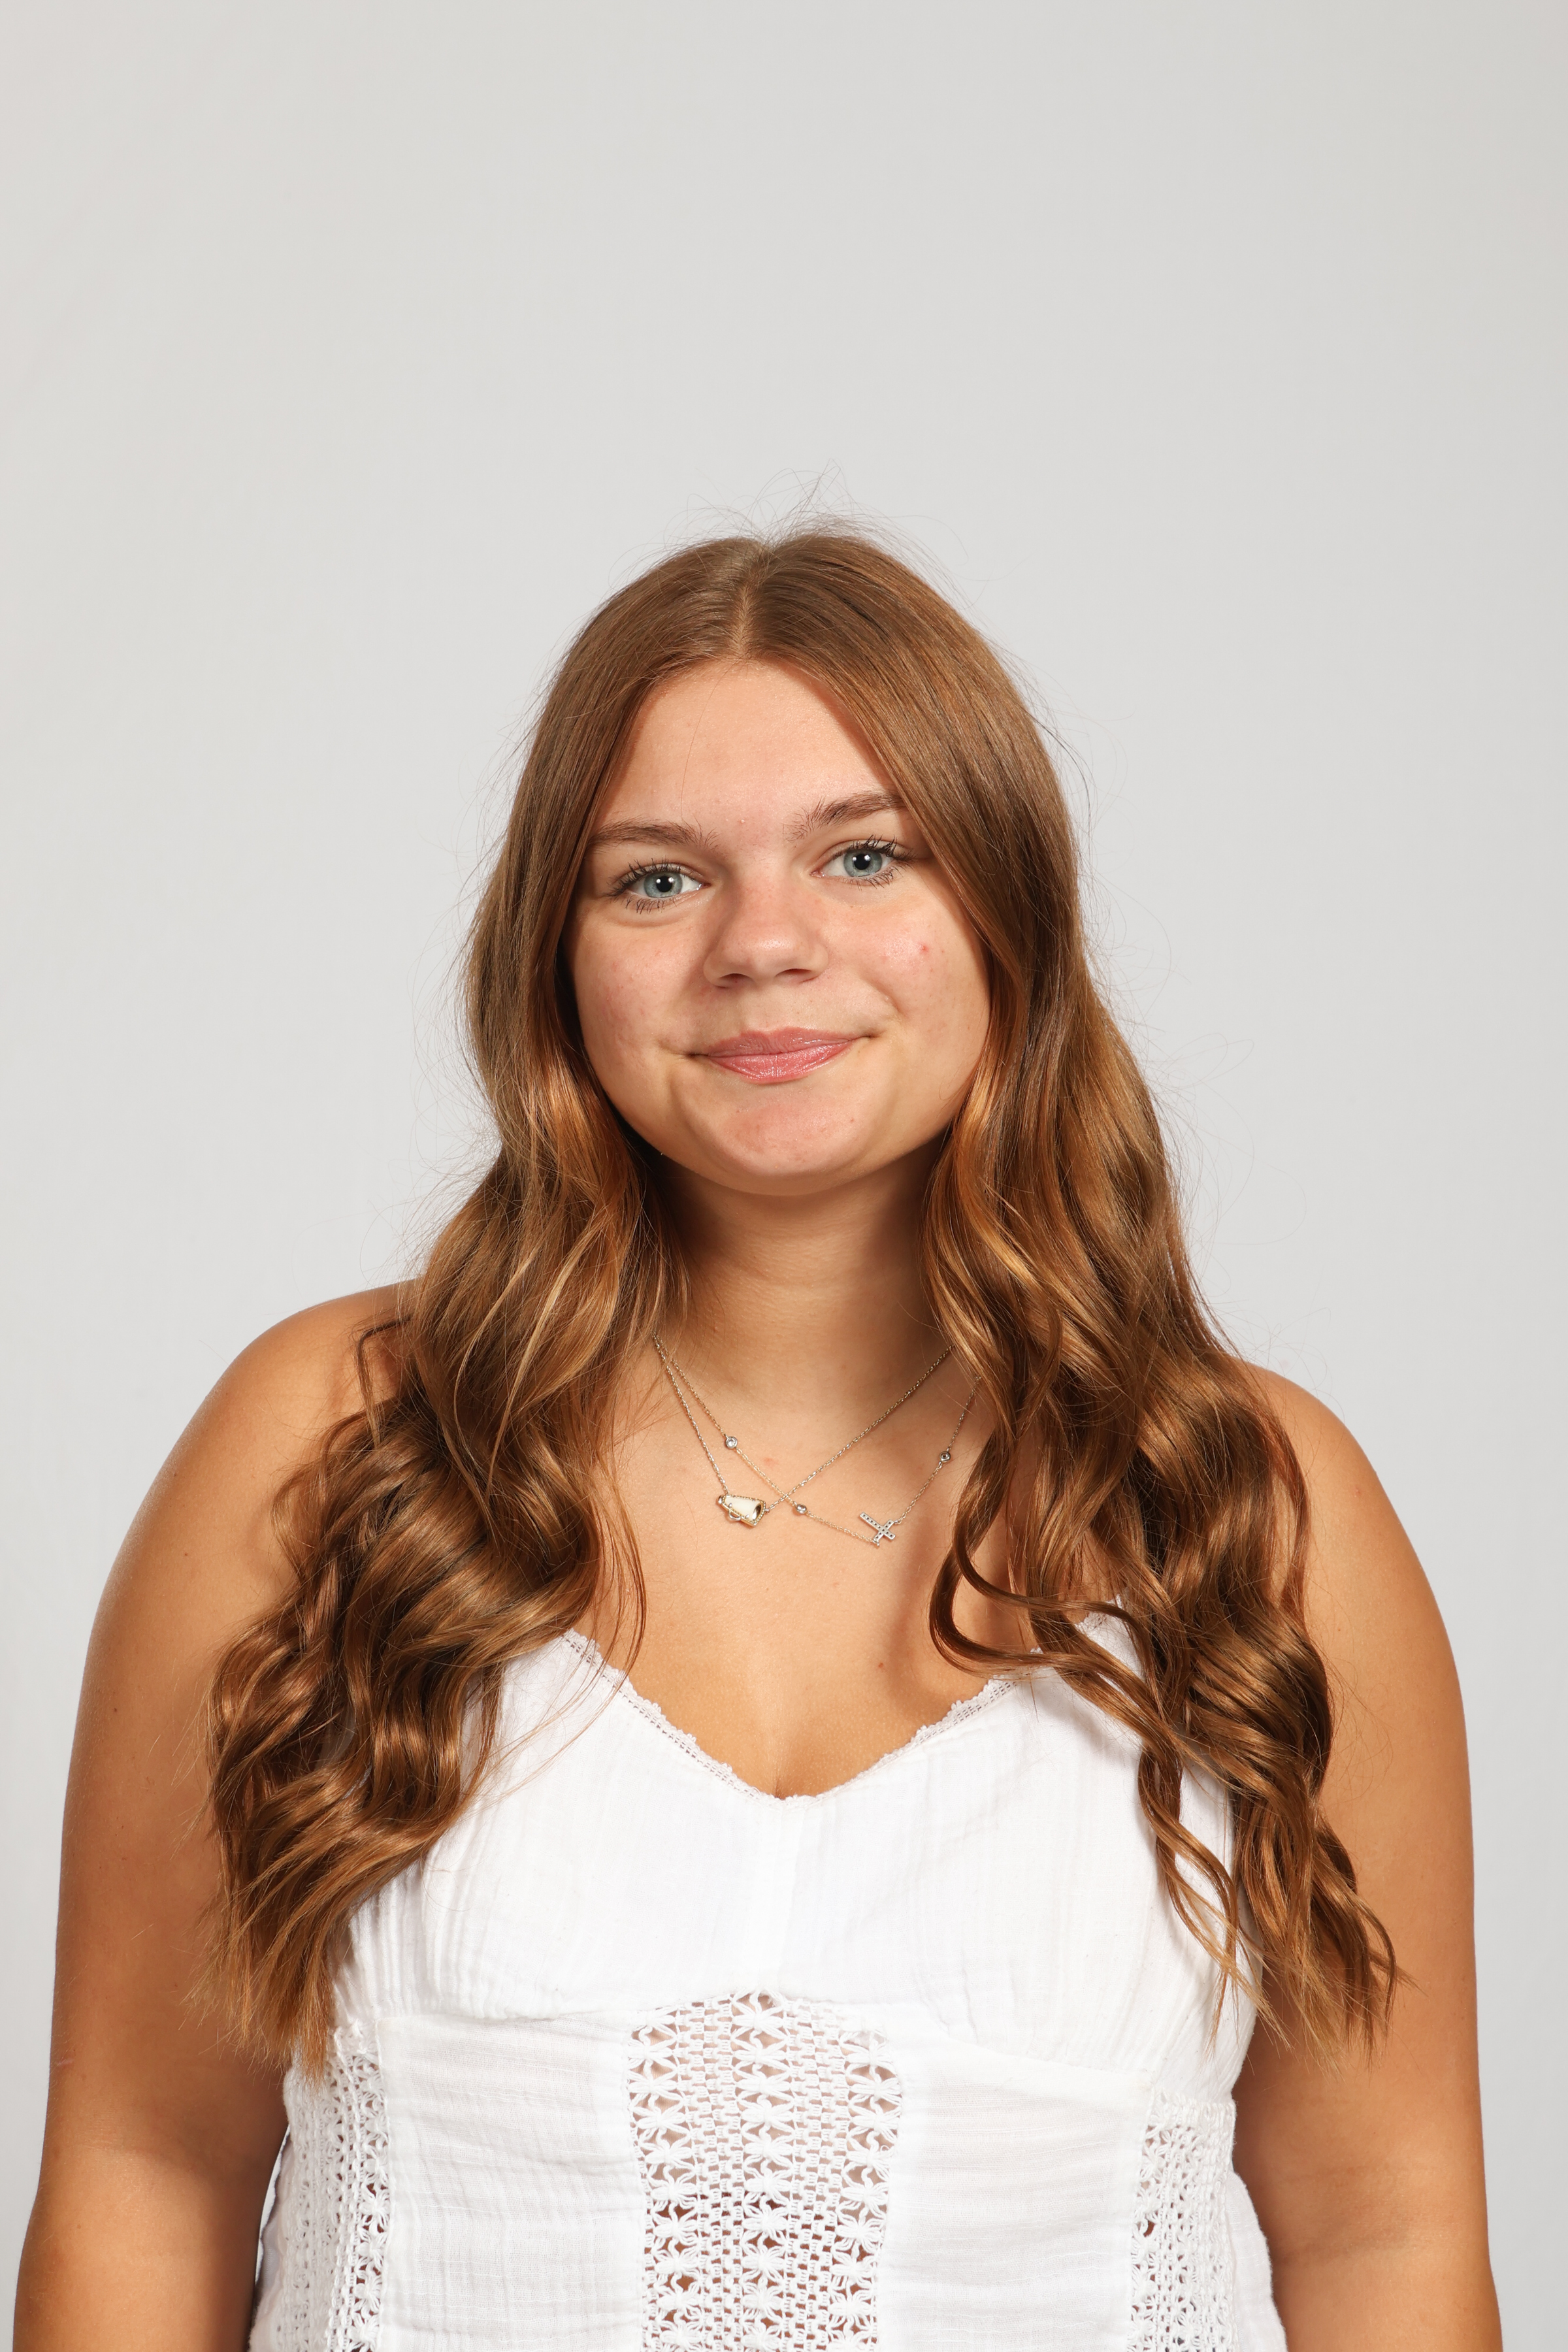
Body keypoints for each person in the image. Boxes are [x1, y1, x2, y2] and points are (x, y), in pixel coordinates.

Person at [17, 529, 1499, 2351]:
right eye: (657, 879)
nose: (765, 946)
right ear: (556, 956)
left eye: (866, 855)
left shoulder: (1251, 1507)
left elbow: (1384, 2238)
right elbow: (145, 2175)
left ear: (1008, 910)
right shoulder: (333, 1449)